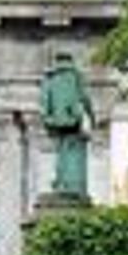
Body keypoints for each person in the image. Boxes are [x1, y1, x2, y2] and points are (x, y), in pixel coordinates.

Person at [41, 51, 95, 198]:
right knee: (71, 148)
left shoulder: (50, 78)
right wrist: (92, 117)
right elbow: (85, 97)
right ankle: (70, 184)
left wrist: (47, 118)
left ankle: (61, 182)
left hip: (57, 119)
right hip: (74, 118)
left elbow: (44, 102)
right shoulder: (76, 76)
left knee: (61, 148)